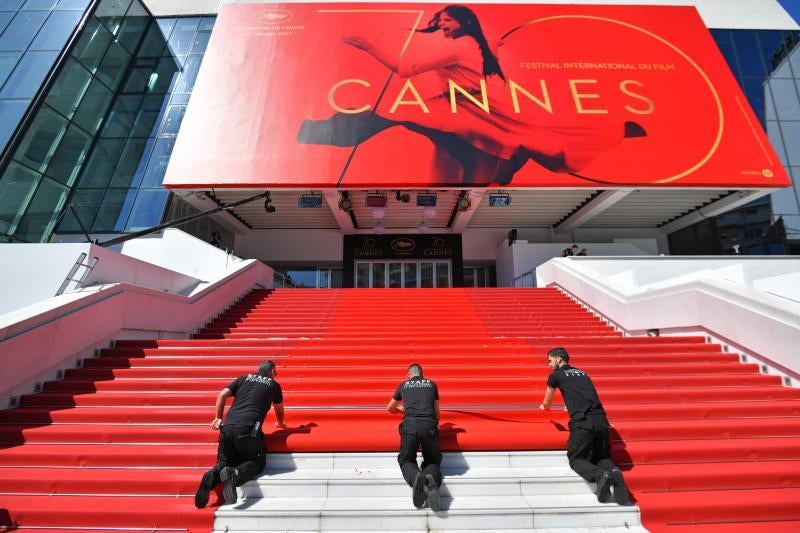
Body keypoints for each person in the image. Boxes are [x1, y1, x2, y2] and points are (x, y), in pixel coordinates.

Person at [298, 4, 645, 186]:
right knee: (390, 116)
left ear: (463, 24)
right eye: (440, 20)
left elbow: (405, 70)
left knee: (387, 114)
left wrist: (369, 47)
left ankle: (312, 132)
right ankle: (315, 131)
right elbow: (488, 49)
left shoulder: (461, 46)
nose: (442, 25)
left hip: (469, 108)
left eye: (447, 21)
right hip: (466, 105)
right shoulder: (477, 44)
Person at [540, 347, 630, 505]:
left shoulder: (556, 375)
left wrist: (543, 407)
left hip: (583, 423)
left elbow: (547, 402)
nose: (548, 364)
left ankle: (600, 475)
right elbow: (586, 395)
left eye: (549, 360)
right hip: (601, 420)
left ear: (558, 359)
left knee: (576, 459)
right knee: (601, 457)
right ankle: (614, 471)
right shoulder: (584, 374)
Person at [195, 360, 286, 508]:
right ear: (273, 371)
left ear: (258, 369)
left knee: (224, 462)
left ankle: (213, 475)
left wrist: (218, 417)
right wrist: (280, 423)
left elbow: (221, 395)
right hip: (248, 429)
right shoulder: (273, 385)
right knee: (256, 462)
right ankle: (235, 474)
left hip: (228, 427)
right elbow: (279, 408)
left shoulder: (243, 378)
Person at [387, 363, 443, 511]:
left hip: (410, 426)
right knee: (432, 460)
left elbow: (389, 408)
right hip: (429, 425)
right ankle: (430, 477)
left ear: (408, 375)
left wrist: (402, 410)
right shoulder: (432, 385)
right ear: (422, 374)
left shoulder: (403, 385)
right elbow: (437, 413)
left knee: (406, 459)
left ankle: (416, 477)